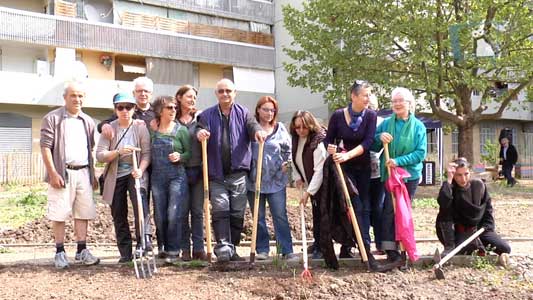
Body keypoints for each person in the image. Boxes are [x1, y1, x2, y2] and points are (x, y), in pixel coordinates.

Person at [196, 78, 266, 262]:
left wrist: (258, 132)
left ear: (235, 93)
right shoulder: (208, 115)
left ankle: (232, 248)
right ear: (216, 94)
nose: (225, 94)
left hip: (238, 174)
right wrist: (200, 133)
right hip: (216, 174)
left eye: (228, 90)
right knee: (220, 209)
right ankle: (223, 247)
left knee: (237, 213)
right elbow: (199, 128)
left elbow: (252, 126)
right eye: (221, 91)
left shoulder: (244, 113)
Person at [40, 81, 100, 269]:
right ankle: (59, 252)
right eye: (73, 95)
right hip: (62, 173)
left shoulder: (88, 121)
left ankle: (82, 251)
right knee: (59, 213)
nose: (77, 99)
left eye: (81, 96)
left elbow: (90, 149)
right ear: (65, 97)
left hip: (83, 172)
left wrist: (94, 173)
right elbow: (45, 147)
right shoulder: (53, 118)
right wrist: (53, 173)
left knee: (83, 213)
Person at [97, 76, 157, 251]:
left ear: (134, 109)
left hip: (138, 171)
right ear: (115, 109)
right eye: (121, 107)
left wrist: (140, 169)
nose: (125, 111)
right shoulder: (110, 127)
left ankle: (143, 245)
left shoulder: (142, 124)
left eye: (129, 107)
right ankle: (125, 251)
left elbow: (146, 153)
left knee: (141, 207)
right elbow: (100, 155)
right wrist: (117, 152)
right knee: (118, 212)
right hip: (116, 174)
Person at [322, 80, 377, 263]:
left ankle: (365, 246)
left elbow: (368, 142)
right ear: (353, 96)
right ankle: (348, 245)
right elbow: (328, 139)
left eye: (369, 95)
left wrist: (348, 155)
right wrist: (332, 149)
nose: (368, 98)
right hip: (344, 169)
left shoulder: (370, 116)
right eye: (365, 95)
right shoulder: (338, 116)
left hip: (362, 166)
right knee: (351, 205)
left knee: (364, 205)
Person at [372, 87, 427, 266]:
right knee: (389, 209)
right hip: (389, 175)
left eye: (400, 100)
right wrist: (379, 137)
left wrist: (399, 161)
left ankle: (405, 245)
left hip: (409, 176)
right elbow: (371, 145)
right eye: (394, 101)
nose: (396, 104)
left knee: (403, 210)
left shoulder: (418, 126)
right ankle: (391, 250)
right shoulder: (387, 124)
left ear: (409, 104)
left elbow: (420, 153)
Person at [247, 96, 297, 261]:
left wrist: (286, 165)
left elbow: (288, 151)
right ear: (258, 110)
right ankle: (262, 249)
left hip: (276, 180)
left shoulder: (280, 128)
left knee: (279, 214)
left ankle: (286, 249)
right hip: (255, 181)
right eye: (265, 109)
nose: (269, 113)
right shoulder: (251, 129)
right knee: (258, 216)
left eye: (272, 110)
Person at [436, 157, 511, 264]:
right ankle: (451, 246)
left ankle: (478, 243)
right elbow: (443, 205)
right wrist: (448, 179)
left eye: (466, 174)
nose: (463, 179)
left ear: (470, 172)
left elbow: (487, 209)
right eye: (459, 175)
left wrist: (487, 228)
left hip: (479, 229)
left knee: (505, 248)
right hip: (459, 231)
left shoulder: (478, 186)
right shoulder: (450, 188)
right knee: (467, 250)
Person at [150, 96, 191, 263]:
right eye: (169, 108)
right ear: (160, 111)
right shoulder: (152, 131)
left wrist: (180, 156)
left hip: (177, 177)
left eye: (175, 107)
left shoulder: (181, 131)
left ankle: (174, 250)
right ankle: (162, 247)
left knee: (174, 213)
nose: (174, 110)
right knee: (159, 214)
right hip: (157, 177)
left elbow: (190, 154)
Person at [174, 85, 207, 261]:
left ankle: (199, 248)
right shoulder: (173, 119)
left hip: (198, 170)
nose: (192, 99)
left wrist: (203, 132)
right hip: (179, 170)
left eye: (194, 97)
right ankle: (185, 248)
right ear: (179, 97)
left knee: (197, 210)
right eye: (188, 96)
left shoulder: (200, 118)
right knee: (182, 211)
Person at [289, 110, 327, 259]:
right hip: (311, 183)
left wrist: (308, 192)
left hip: (324, 184)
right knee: (316, 214)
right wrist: (298, 176)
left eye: (304, 127)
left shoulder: (317, 140)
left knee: (323, 215)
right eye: (297, 127)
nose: (301, 131)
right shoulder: (296, 139)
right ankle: (317, 243)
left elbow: (319, 170)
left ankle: (323, 247)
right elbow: (294, 160)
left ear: (310, 125)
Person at [368, 95, 385, 255]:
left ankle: (380, 244)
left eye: (371, 107)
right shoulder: (356, 121)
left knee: (378, 208)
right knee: (364, 208)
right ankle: (363, 244)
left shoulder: (381, 123)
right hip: (362, 172)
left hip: (379, 173)